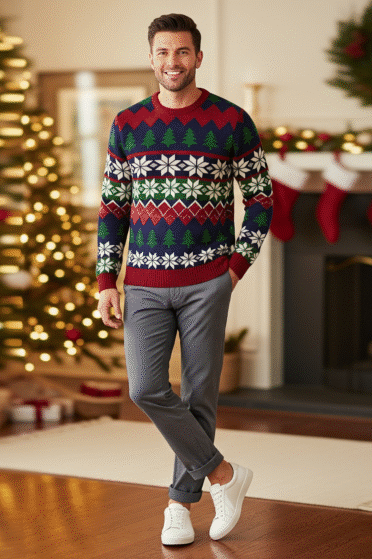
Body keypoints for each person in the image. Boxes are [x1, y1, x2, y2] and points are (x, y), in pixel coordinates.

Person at [95, 13, 273, 546]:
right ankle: (223, 475)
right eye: (163, 52)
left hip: (208, 281)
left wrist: (234, 270)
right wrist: (107, 280)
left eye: (182, 52)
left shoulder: (232, 120)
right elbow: (113, 206)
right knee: (146, 387)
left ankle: (178, 505)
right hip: (145, 282)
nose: (172, 62)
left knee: (200, 395)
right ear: (151, 58)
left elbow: (262, 200)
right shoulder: (127, 125)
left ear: (198, 57)